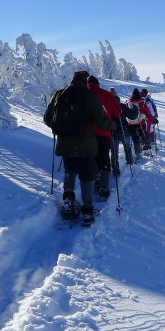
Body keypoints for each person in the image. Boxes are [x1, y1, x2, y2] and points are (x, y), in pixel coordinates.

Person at [43, 71, 109, 225]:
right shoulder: (89, 96)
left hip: (65, 144)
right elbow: (102, 122)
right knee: (86, 175)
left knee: (70, 171)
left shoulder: (59, 94)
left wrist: (60, 129)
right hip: (85, 145)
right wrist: (109, 124)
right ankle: (87, 210)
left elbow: (47, 118)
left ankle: (68, 203)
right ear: (85, 81)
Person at [87, 75, 121, 199]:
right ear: (97, 83)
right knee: (104, 158)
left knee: (93, 158)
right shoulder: (106, 94)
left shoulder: (84, 94)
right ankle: (104, 187)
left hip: (87, 134)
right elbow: (117, 111)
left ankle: (96, 182)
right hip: (104, 132)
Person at [110, 88, 134, 174]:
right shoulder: (122, 106)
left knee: (114, 151)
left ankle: (115, 168)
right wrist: (134, 109)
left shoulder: (106, 106)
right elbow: (132, 116)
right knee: (127, 147)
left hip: (112, 132)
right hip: (124, 131)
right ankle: (130, 163)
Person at [127, 88, 154, 158]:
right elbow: (147, 112)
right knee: (144, 137)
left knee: (135, 139)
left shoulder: (128, 102)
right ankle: (146, 151)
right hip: (140, 123)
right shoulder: (141, 103)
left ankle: (138, 153)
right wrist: (152, 119)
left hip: (131, 124)